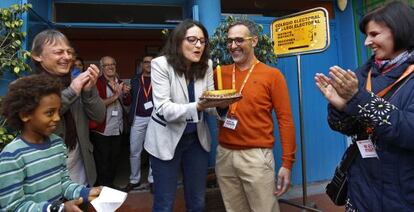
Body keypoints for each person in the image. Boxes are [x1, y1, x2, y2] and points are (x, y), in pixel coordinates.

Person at [315, 2, 414, 211]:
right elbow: (341, 126)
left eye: (374, 34)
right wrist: (340, 106)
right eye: (366, 35)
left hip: (402, 195)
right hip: (360, 191)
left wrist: (358, 99)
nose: (368, 42)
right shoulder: (362, 73)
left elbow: (408, 132)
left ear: (400, 30)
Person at [144, 19, 238, 211]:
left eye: (202, 41)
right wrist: (199, 106)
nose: (198, 45)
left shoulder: (207, 64)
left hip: (196, 140)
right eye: (192, 40)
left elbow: (208, 103)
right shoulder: (160, 64)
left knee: (198, 200)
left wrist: (221, 106)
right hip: (166, 140)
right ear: (179, 41)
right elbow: (163, 108)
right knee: (164, 202)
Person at [215, 19, 297, 212]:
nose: (233, 46)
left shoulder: (272, 75)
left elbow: (285, 120)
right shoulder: (219, 73)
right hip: (224, 154)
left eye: (239, 40)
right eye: (229, 41)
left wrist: (287, 163)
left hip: (256, 156)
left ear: (254, 41)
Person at [0, 75, 101, 211]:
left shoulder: (57, 144)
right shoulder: (12, 156)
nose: (57, 118)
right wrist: (58, 209)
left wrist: (85, 192)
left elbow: (64, 182)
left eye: (58, 111)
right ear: (25, 115)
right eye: (49, 113)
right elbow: (13, 207)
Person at [30, 29, 105, 186]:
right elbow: (40, 122)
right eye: (59, 52)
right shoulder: (28, 86)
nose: (67, 57)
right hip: (47, 170)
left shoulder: (78, 80)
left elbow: (99, 116)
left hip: (80, 164)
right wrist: (72, 91)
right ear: (37, 56)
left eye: (69, 52)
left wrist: (88, 91)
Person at [90, 56, 131, 187]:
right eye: (107, 65)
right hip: (102, 129)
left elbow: (127, 102)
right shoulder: (97, 83)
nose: (110, 67)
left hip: (117, 128)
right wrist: (115, 96)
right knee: (102, 160)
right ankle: (102, 186)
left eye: (113, 64)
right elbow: (97, 104)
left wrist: (126, 94)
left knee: (115, 159)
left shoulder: (120, 82)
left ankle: (110, 184)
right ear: (102, 68)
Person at [124, 55, 155, 192]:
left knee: (154, 151)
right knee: (134, 151)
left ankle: (153, 180)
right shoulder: (135, 79)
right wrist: (126, 94)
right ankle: (134, 179)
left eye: (151, 62)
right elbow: (129, 101)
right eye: (146, 62)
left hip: (155, 119)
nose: (148, 64)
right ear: (142, 64)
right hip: (138, 119)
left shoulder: (159, 78)